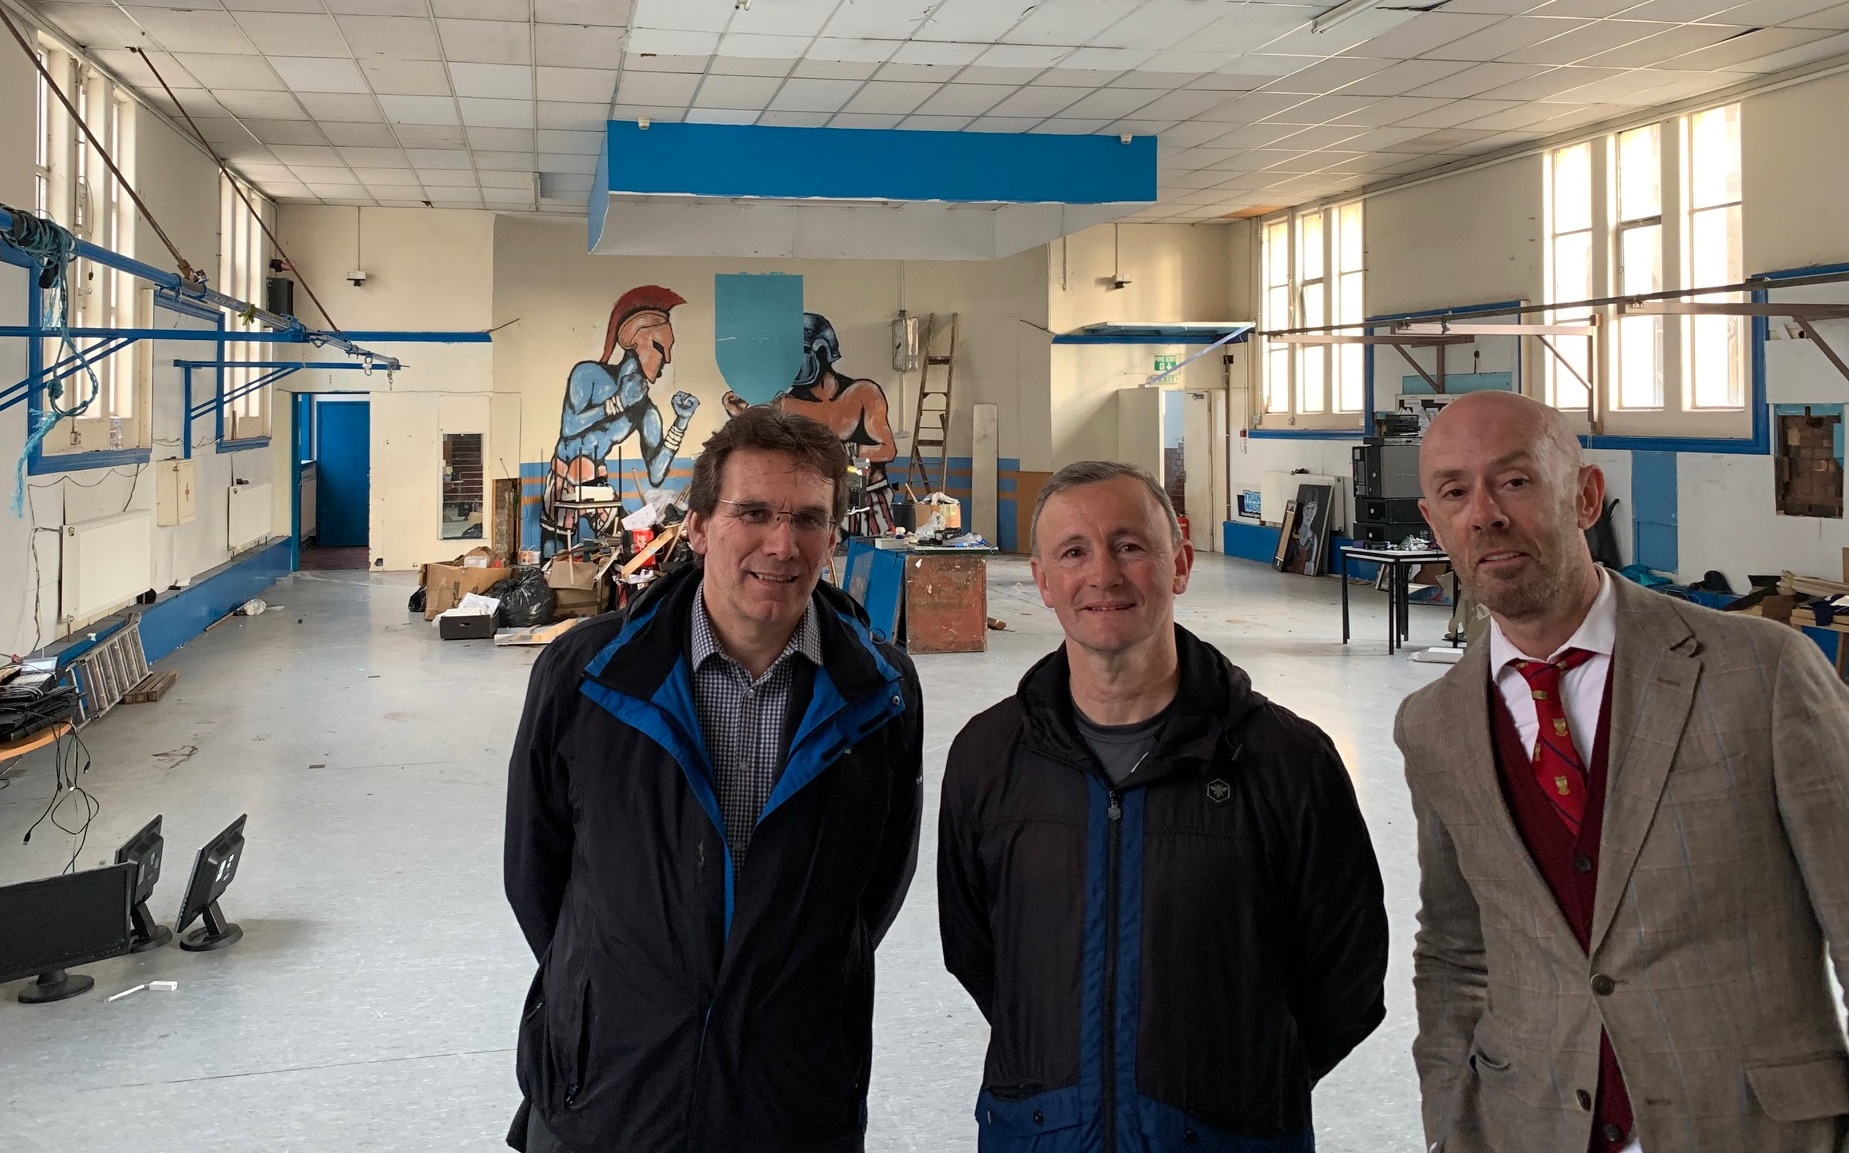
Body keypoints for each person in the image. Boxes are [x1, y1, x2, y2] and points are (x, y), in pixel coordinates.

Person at [1398, 389, 1849, 1153]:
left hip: (1752, 1127)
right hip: (1531, 1126)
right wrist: (1452, 1118)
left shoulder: (1760, 672)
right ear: (1433, 518)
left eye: (1514, 480)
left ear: (1584, 495)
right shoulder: (1433, 724)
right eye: (1454, 491)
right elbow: (1454, 947)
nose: (1485, 513)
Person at [505, 406, 925, 1153]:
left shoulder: (882, 690)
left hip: (790, 1094)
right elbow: (536, 875)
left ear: (833, 537)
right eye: (752, 512)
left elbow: (872, 889)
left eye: (807, 518)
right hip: (605, 1091)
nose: (781, 543)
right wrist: (619, 986)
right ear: (697, 527)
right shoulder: (585, 675)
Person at [938, 460, 1389, 1152]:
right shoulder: (988, 756)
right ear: (1042, 580)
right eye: (1073, 552)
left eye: (1128, 546)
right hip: (1042, 1132)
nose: (1103, 576)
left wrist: (1238, 1086)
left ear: (1178, 562)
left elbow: (1346, 978)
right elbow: (978, 951)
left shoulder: (1286, 761)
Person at [543, 285, 700, 556]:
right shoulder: (587, 374)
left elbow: (656, 472)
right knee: (553, 552)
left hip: (598, 486)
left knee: (621, 549)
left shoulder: (646, 412)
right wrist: (615, 404)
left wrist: (681, 422)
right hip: (563, 479)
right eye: (661, 349)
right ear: (635, 342)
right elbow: (570, 427)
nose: (667, 360)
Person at [723, 314, 899, 535]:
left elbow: (886, 448)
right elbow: (768, 445)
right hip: (818, 502)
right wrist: (741, 414)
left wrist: (849, 459)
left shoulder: (863, 393)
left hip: (870, 504)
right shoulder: (785, 405)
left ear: (823, 352)